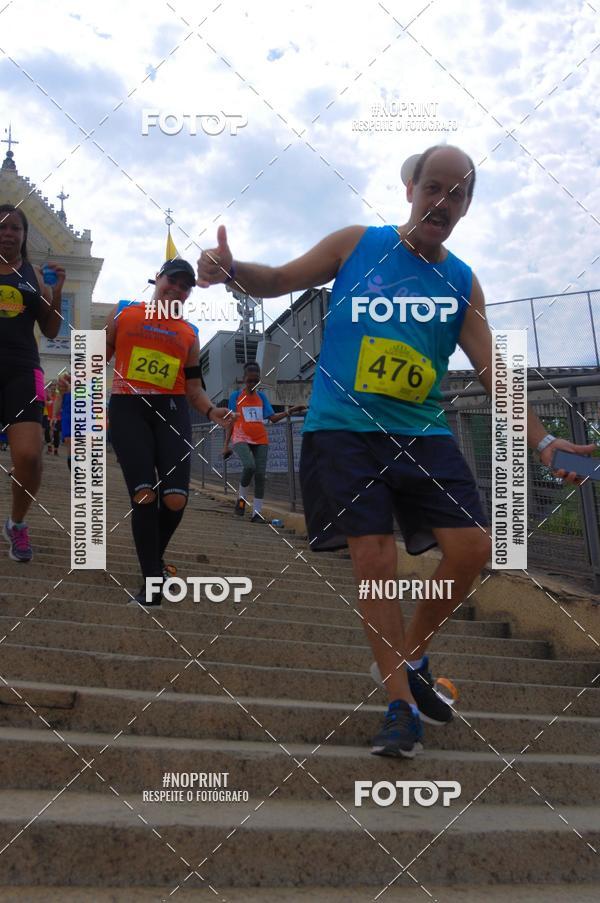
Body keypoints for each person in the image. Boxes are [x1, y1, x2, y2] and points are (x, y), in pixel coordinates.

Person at [196, 144, 595, 758]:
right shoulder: (358, 244)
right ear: (411, 188)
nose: (443, 200)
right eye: (433, 187)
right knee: (375, 561)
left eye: (457, 192)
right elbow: (277, 280)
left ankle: (410, 657)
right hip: (342, 429)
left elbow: (493, 369)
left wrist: (541, 440)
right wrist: (232, 271)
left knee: (472, 548)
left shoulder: (461, 281)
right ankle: (399, 706)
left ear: (466, 206)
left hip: (423, 432)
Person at [105, 258, 233, 608]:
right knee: (144, 493)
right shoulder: (124, 312)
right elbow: (97, 354)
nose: (176, 289)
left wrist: (211, 410)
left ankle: (152, 559)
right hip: (129, 408)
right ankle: (151, 584)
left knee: (175, 498)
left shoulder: (189, 332)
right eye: (171, 281)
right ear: (157, 279)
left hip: (171, 411)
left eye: (184, 286)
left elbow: (193, 388)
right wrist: (75, 376)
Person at [0, 204, 65, 562]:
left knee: (29, 457)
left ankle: (17, 523)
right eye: (2, 227)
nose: (7, 233)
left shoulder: (34, 275)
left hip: (23, 370)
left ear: (24, 237)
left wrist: (56, 295)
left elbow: (52, 330)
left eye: (15, 228)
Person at [224, 360, 306, 522]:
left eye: (256, 380)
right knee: (249, 466)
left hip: (260, 438)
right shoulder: (236, 397)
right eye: (250, 380)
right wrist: (226, 444)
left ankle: (257, 513)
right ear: (244, 379)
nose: (253, 383)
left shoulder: (261, 397)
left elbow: (273, 418)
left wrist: (291, 411)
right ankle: (241, 500)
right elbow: (231, 422)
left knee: (260, 475)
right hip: (240, 437)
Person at [53, 373, 72, 469]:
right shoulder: (64, 380)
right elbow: (58, 398)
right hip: (68, 415)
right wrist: (54, 416)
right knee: (70, 443)